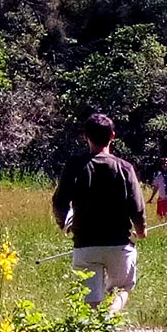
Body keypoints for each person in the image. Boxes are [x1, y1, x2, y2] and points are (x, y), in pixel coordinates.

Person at [52, 114, 148, 317]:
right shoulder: (125, 168)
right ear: (113, 136)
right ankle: (109, 316)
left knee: (90, 300)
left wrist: (65, 225)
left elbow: (59, 202)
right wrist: (141, 230)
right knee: (122, 288)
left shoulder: (75, 166)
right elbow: (137, 207)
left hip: (85, 245)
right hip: (119, 244)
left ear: (85, 136)